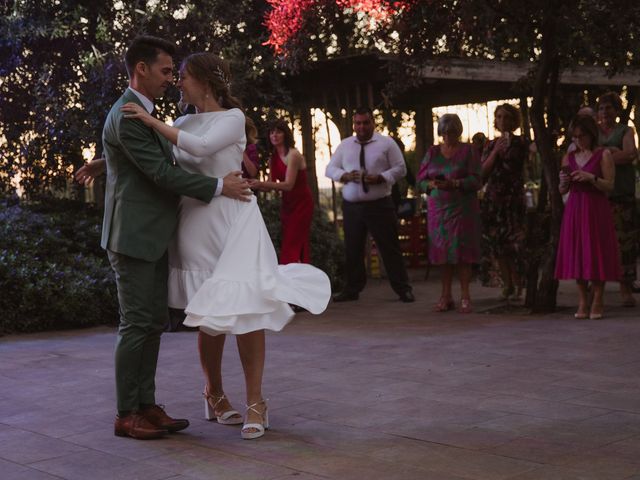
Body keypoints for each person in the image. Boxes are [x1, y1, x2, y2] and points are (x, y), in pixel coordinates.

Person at [119, 52, 331, 440]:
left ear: (205, 80)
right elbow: (162, 162)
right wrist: (105, 162)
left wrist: (151, 120)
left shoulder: (231, 119)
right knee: (209, 314)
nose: (177, 82)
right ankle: (213, 393)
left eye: (182, 75)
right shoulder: (180, 121)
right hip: (194, 225)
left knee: (248, 311)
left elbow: (198, 148)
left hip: (233, 222)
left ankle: (256, 400)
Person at [95, 36, 252, 440]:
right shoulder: (129, 115)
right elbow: (162, 174)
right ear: (141, 69)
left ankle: (146, 406)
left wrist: (103, 160)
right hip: (132, 236)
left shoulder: (143, 115)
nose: (171, 79)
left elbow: (164, 156)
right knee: (135, 324)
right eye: (166, 71)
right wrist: (219, 187)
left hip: (152, 235)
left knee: (150, 324)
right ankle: (126, 413)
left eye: (175, 73)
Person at [325, 107, 415, 303]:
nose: (362, 127)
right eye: (358, 123)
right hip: (352, 206)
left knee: (389, 247)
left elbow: (401, 168)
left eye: (365, 122)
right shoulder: (345, 145)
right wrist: (344, 176)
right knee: (353, 248)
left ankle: (403, 289)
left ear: (373, 123)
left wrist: (382, 177)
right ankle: (352, 289)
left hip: (380, 204)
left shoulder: (386, 143)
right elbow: (330, 168)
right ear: (354, 124)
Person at [556, 114, 619, 319]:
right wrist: (563, 183)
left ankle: (598, 298)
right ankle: (583, 299)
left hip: (595, 207)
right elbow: (562, 190)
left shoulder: (603, 155)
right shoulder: (569, 157)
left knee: (596, 250)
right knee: (578, 252)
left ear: (591, 135)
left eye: (581, 136)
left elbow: (609, 185)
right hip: (575, 207)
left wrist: (591, 178)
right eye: (573, 137)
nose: (577, 141)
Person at [417, 114, 482, 313]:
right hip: (438, 212)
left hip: (462, 209)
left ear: (458, 132)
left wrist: (455, 183)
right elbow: (419, 181)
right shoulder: (432, 152)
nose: (447, 137)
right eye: (444, 133)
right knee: (442, 253)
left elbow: (476, 180)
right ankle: (445, 295)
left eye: (451, 132)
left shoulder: (468, 151)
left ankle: (465, 295)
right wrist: (431, 184)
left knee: (462, 253)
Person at [480, 104, 528, 300]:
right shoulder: (491, 145)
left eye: (506, 117)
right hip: (494, 199)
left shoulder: (520, 142)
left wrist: (504, 151)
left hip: (512, 199)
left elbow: (513, 166)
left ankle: (519, 284)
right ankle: (506, 284)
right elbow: (482, 172)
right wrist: (494, 153)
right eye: (499, 117)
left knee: (514, 244)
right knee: (497, 244)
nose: (502, 121)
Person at [250, 119, 314, 264]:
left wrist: (261, 183)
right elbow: (268, 185)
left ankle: (291, 274)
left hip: (302, 204)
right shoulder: (273, 158)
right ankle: (302, 276)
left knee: (292, 243)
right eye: (272, 132)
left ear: (286, 135)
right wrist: (252, 184)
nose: (274, 135)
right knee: (294, 241)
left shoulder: (294, 155)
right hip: (287, 204)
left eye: (278, 132)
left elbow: (288, 185)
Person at [597, 91, 638, 307]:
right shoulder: (593, 132)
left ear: (616, 110)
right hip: (600, 196)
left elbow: (630, 154)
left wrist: (605, 155)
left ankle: (625, 289)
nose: (605, 112)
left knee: (626, 244)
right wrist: (612, 152)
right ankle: (598, 292)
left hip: (622, 195)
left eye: (609, 108)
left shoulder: (625, 130)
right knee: (600, 244)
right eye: (602, 108)